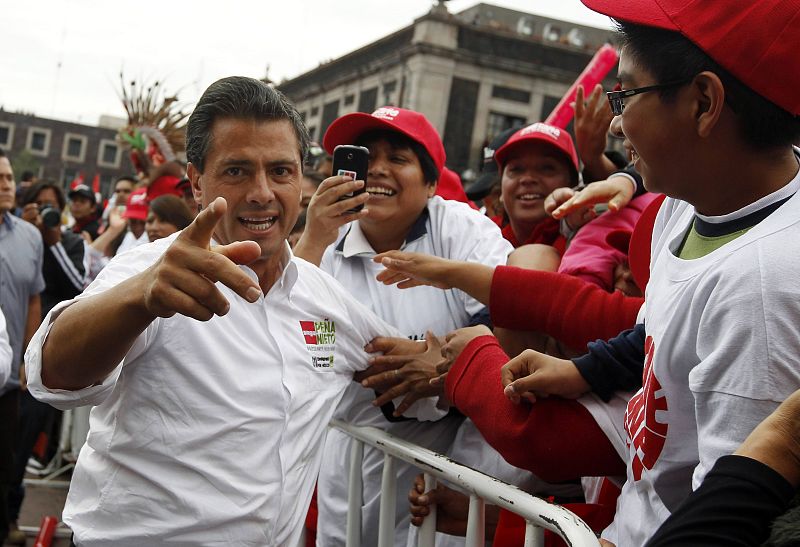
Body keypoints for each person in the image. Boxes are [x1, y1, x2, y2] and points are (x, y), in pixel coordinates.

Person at [23, 76, 433, 546]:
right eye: (237, 171)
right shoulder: (150, 270)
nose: (262, 192)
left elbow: (407, 375)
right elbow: (53, 374)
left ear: (303, 179)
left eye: (280, 171)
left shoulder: (323, 300)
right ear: (197, 182)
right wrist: (139, 299)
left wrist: (453, 364)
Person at [503, 0, 800, 544]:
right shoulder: (681, 207)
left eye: (625, 94)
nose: (615, 122)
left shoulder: (763, 288)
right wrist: (585, 371)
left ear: (703, 102)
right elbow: (661, 330)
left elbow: (732, 514)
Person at [295, 106, 513, 547]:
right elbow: (294, 335)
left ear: (431, 182)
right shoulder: (326, 240)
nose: (377, 169)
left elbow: (506, 320)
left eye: (397, 158)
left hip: (447, 462)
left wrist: (443, 368)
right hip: (351, 466)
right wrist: (312, 237)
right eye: (365, 156)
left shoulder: (457, 227)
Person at [9, 181, 86, 543]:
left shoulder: (69, 242)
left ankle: (9, 518)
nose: (44, 212)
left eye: (51, 206)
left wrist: (52, 240)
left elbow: (78, 287)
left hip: (37, 364)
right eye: (38, 206)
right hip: (7, 349)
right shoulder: (16, 235)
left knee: (17, 449)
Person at [0, 149, 44, 544]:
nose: (7, 186)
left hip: (9, 377)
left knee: (6, 459)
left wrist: (27, 356)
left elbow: (34, 299)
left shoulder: (30, 237)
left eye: (10, 178)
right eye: (0, 179)